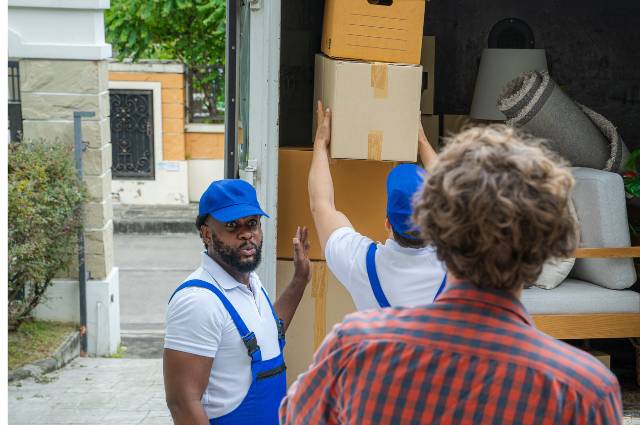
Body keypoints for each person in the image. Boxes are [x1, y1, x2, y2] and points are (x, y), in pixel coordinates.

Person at [281, 125, 623, 424]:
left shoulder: (354, 347)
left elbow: (297, 416)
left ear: (444, 226)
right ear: (544, 250)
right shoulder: (583, 390)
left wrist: (321, 142)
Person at [163, 179, 311, 425]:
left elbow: (267, 336)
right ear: (207, 233)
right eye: (232, 226)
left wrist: (300, 280)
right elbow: (182, 402)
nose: (246, 234)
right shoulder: (198, 301)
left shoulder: (251, 282)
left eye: (252, 223)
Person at [309, 101, 446, 310]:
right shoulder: (456, 266)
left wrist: (320, 143)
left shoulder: (362, 264)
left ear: (388, 223)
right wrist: (422, 141)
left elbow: (321, 206)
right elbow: (454, 193)